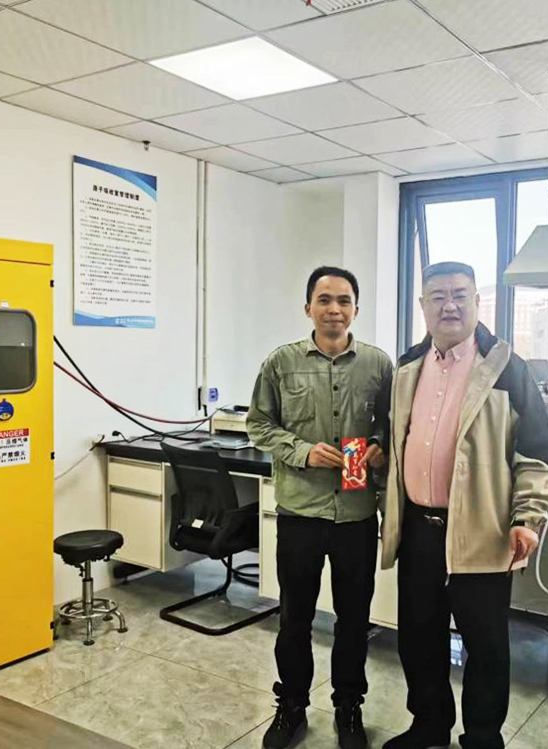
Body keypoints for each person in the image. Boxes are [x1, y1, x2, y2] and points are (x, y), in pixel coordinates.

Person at [380, 261, 548, 749]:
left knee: (485, 645)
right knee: (419, 637)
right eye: (438, 296)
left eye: (460, 295)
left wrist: (528, 518)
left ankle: (482, 737)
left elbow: (537, 455)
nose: (449, 306)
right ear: (423, 306)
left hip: (483, 531)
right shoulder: (407, 367)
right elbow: (392, 440)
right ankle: (429, 725)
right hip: (418, 529)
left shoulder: (507, 369)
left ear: (478, 302)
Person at [248, 266, 394, 749]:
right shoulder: (281, 363)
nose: (334, 309)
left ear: (357, 309)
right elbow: (258, 425)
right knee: (295, 618)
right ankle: (291, 706)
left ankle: (348, 707)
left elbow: (392, 424)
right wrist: (302, 450)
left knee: (353, 621)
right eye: (325, 300)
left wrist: (378, 444)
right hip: (300, 514)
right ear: (308, 307)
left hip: (356, 514)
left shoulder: (378, 365)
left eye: (344, 300)